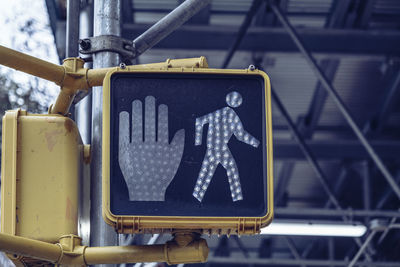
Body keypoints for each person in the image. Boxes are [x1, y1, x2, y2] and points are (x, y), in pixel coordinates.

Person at [193, 91, 259, 202]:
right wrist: (255, 143)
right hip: (219, 149)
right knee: (228, 170)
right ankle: (237, 199)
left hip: (216, 148)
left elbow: (199, 121)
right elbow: (241, 135)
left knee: (208, 172)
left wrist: (198, 142)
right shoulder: (230, 115)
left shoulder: (220, 113)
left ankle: (197, 196)